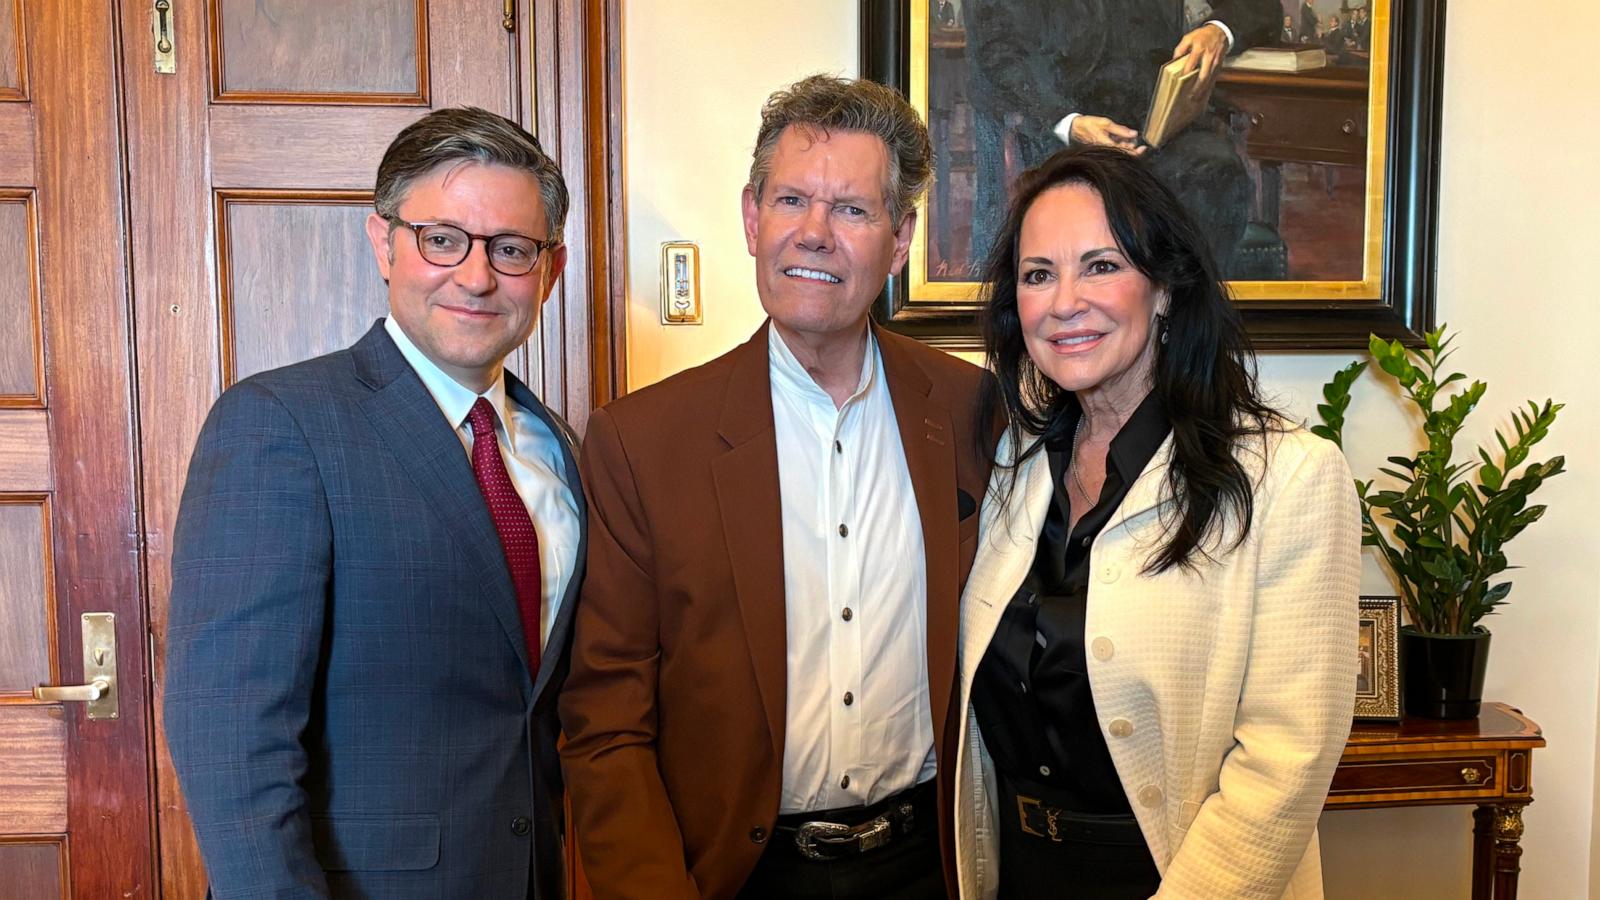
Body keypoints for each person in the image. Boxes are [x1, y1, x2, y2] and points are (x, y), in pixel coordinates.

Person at [559, 75, 995, 900]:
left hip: (932, 866)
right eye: (792, 199)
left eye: (854, 210)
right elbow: (606, 723)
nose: (816, 235)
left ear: (899, 241)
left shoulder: (974, 411)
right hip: (734, 874)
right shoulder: (642, 442)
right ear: (752, 218)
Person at [165, 107, 584, 899]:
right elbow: (230, 742)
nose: (476, 275)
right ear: (383, 243)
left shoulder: (555, 448)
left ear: (550, 270)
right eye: (442, 238)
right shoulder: (279, 424)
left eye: (512, 249)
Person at [952, 146, 1359, 898]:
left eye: (1101, 266)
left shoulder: (1289, 476)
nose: (1065, 301)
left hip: (1175, 877)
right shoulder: (1014, 465)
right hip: (1020, 871)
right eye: (1038, 275)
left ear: (1166, 288)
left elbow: (1286, 759)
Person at [962, 0, 1279, 275]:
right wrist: (1068, 122)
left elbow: (1261, 8)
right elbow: (997, 53)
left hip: (1160, 129)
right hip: (1058, 130)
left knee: (1217, 172)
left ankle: (1186, 325)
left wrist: (1218, 30)